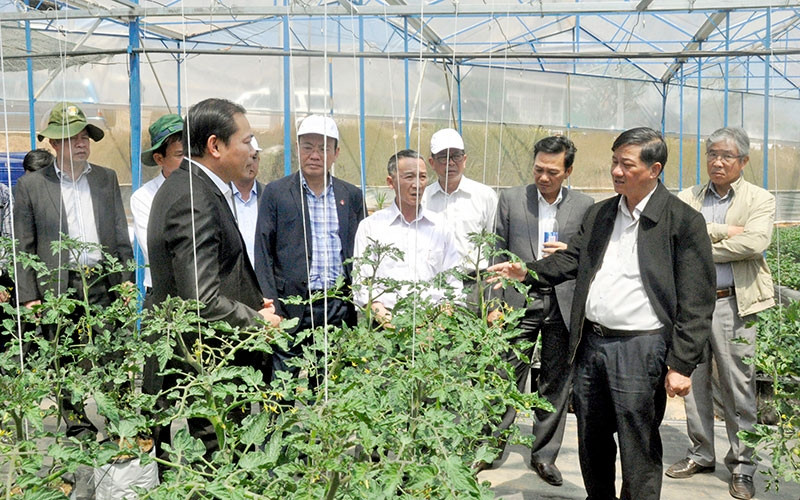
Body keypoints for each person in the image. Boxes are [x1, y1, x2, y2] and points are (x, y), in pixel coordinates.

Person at [488, 127, 715, 500]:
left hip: (641, 350)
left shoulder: (682, 221)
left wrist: (682, 364)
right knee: (592, 442)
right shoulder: (601, 213)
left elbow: (697, 301)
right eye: (614, 162)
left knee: (638, 445)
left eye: (626, 164)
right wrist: (527, 271)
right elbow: (572, 259)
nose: (616, 171)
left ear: (654, 169)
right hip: (592, 346)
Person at [144, 98, 280, 455]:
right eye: (246, 141)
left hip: (208, 356)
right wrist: (258, 321)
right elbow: (200, 300)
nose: (254, 150)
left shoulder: (192, 188)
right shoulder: (194, 198)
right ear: (215, 146)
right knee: (219, 458)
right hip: (209, 363)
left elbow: (209, 273)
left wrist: (251, 300)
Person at [666, 127, 775, 500]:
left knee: (737, 385)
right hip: (691, 304)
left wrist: (700, 243)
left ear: (743, 161)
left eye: (726, 156)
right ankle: (701, 453)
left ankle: (743, 466)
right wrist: (721, 230)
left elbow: (755, 242)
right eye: (712, 154)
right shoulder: (688, 197)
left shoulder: (760, 198)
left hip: (733, 303)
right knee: (692, 380)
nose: (717, 161)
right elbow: (675, 238)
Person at [14, 102, 134, 438]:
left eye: (85, 137)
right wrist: (29, 296)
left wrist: (126, 280)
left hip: (102, 282)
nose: (82, 144)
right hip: (59, 286)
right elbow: (24, 246)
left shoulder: (105, 179)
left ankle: (121, 425)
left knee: (113, 352)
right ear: (54, 143)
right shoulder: (32, 186)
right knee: (63, 357)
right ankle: (78, 426)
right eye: (72, 138)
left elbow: (120, 236)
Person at [490, 135, 594, 484]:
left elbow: (589, 255)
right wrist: (494, 304)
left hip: (562, 301)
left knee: (555, 382)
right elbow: (496, 251)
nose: (544, 177)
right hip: (519, 300)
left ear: (568, 171)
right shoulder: (511, 199)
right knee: (505, 375)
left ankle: (545, 455)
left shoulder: (585, 206)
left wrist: (570, 254)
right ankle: (490, 448)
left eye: (553, 171)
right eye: (538, 169)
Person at [254, 114, 364, 383]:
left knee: (330, 385)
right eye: (308, 147)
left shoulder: (350, 195)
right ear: (297, 149)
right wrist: (272, 305)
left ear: (336, 153)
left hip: (337, 306)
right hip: (292, 306)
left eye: (323, 148)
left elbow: (360, 251)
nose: (315, 155)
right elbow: (263, 253)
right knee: (282, 386)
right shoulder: (276, 193)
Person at [353, 149, 461, 324]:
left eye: (422, 177)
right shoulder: (371, 227)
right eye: (409, 177)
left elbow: (453, 285)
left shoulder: (441, 227)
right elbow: (362, 286)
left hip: (434, 327)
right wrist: (391, 324)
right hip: (383, 328)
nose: (417, 184)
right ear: (391, 182)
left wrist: (435, 326)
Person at [423, 128, 497, 276]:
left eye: (456, 156)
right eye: (443, 157)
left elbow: (495, 242)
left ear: (464, 160)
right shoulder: (423, 198)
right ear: (432, 162)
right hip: (435, 281)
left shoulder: (485, 196)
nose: (450, 163)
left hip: (475, 281)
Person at [130, 113, 184, 291]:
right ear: (159, 159)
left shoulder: (203, 190)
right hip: (164, 290)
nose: (188, 161)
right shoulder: (144, 197)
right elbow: (155, 249)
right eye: (180, 155)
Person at [233, 137, 265, 266]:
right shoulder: (221, 196)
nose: (250, 163)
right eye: (245, 158)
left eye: (254, 157)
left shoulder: (269, 196)